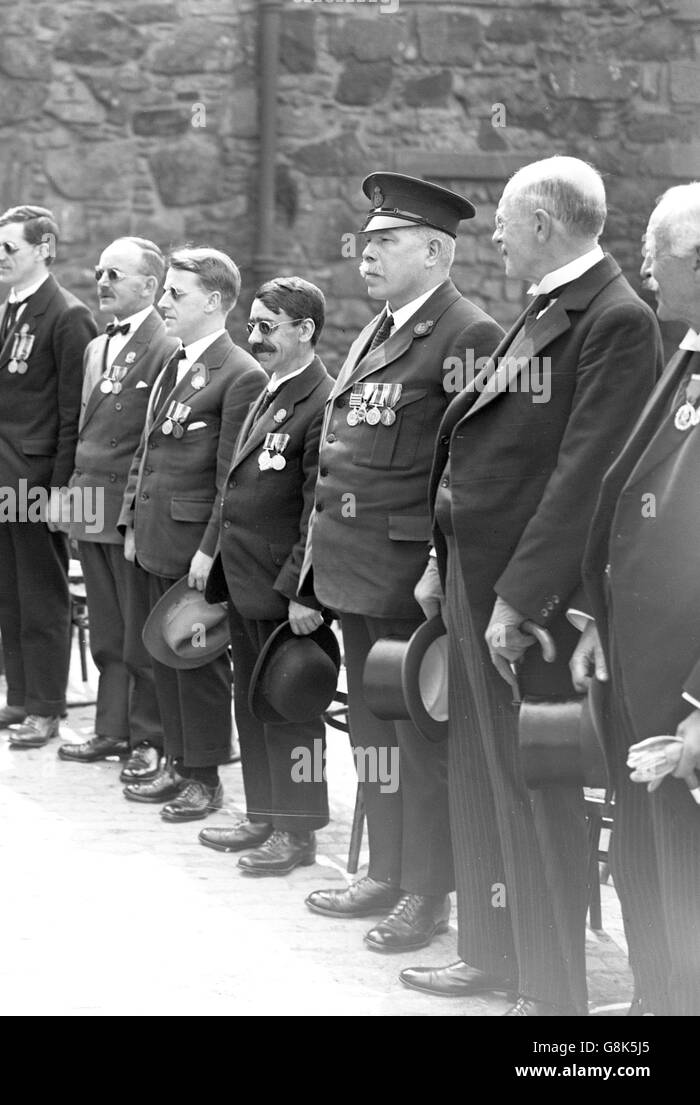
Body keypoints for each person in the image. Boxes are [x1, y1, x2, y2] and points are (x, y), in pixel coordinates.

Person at [404, 156, 663, 1015]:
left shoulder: (616, 319)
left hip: (530, 594)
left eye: (508, 222)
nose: (499, 236)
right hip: (481, 571)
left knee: (536, 788)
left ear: (545, 223)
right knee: (483, 774)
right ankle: (491, 949)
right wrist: (447, 559)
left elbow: (585, 473)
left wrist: (522, 597)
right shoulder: (548, 305)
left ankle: (553, 991)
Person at [302, 174, 503, 952]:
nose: (367, 254)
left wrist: (432, 561)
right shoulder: (377, 327)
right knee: (374, 736)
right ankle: (385, 869)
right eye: (369, 241)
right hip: (355, 571)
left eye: (386, 243)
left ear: (435, 250)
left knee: (420, 746)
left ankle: (428, 891)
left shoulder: (468, 335)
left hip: (407, 580)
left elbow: (465, 468)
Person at [573, 182, 700, 1016]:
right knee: (649, 861)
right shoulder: (684, 349)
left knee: (684, 870)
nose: (644, 263)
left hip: (680, 686)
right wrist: (595, 618)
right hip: (635, 666)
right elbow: (626, 496)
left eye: (658, 249)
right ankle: (658, 1001)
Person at [118, 247, 265, 820]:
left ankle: (204, 776)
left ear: (215, 301)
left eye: (176, 294)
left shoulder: (240, 374)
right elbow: (146, 449)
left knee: (198, 661)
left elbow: (233, 476)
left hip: (194, 550)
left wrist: (209, 549)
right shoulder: (174, 361)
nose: (163, 302)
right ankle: (178, 764)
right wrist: (130, 518)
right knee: (161, 654)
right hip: (155, 536)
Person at [199, 277, 334, 871]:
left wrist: (305, 591)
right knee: (252, 705)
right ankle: (263, 814)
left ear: (304, 331)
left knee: (291, 711)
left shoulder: (320, 398)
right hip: (246, 580)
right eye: (251, 325)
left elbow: (319, 506)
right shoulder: (270, 388)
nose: (255, 338)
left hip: (284, 592)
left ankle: (297, 833)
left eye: (268, 327)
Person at [0, 205, 96, 748]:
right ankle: (19, 698)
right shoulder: (9, 311)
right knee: (9, 592)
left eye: (10, 248)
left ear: (44, 249)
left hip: (38, 483)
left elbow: (73, 412)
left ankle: (46, 707)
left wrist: (63, 491)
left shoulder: (67, 315)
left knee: (43, 594)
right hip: (2, 475)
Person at [57, 236, 176, 782]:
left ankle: (147, 736)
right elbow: (84, 425)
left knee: (136, 631)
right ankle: (110, 726)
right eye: (99, 272)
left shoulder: (167, 343)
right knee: (106, 627)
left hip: (127, 509)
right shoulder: (96, 346)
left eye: (115, 275)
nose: (100, 283)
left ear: (149, 286)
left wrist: (130, 515)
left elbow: (152, 444)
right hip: (89, 500)